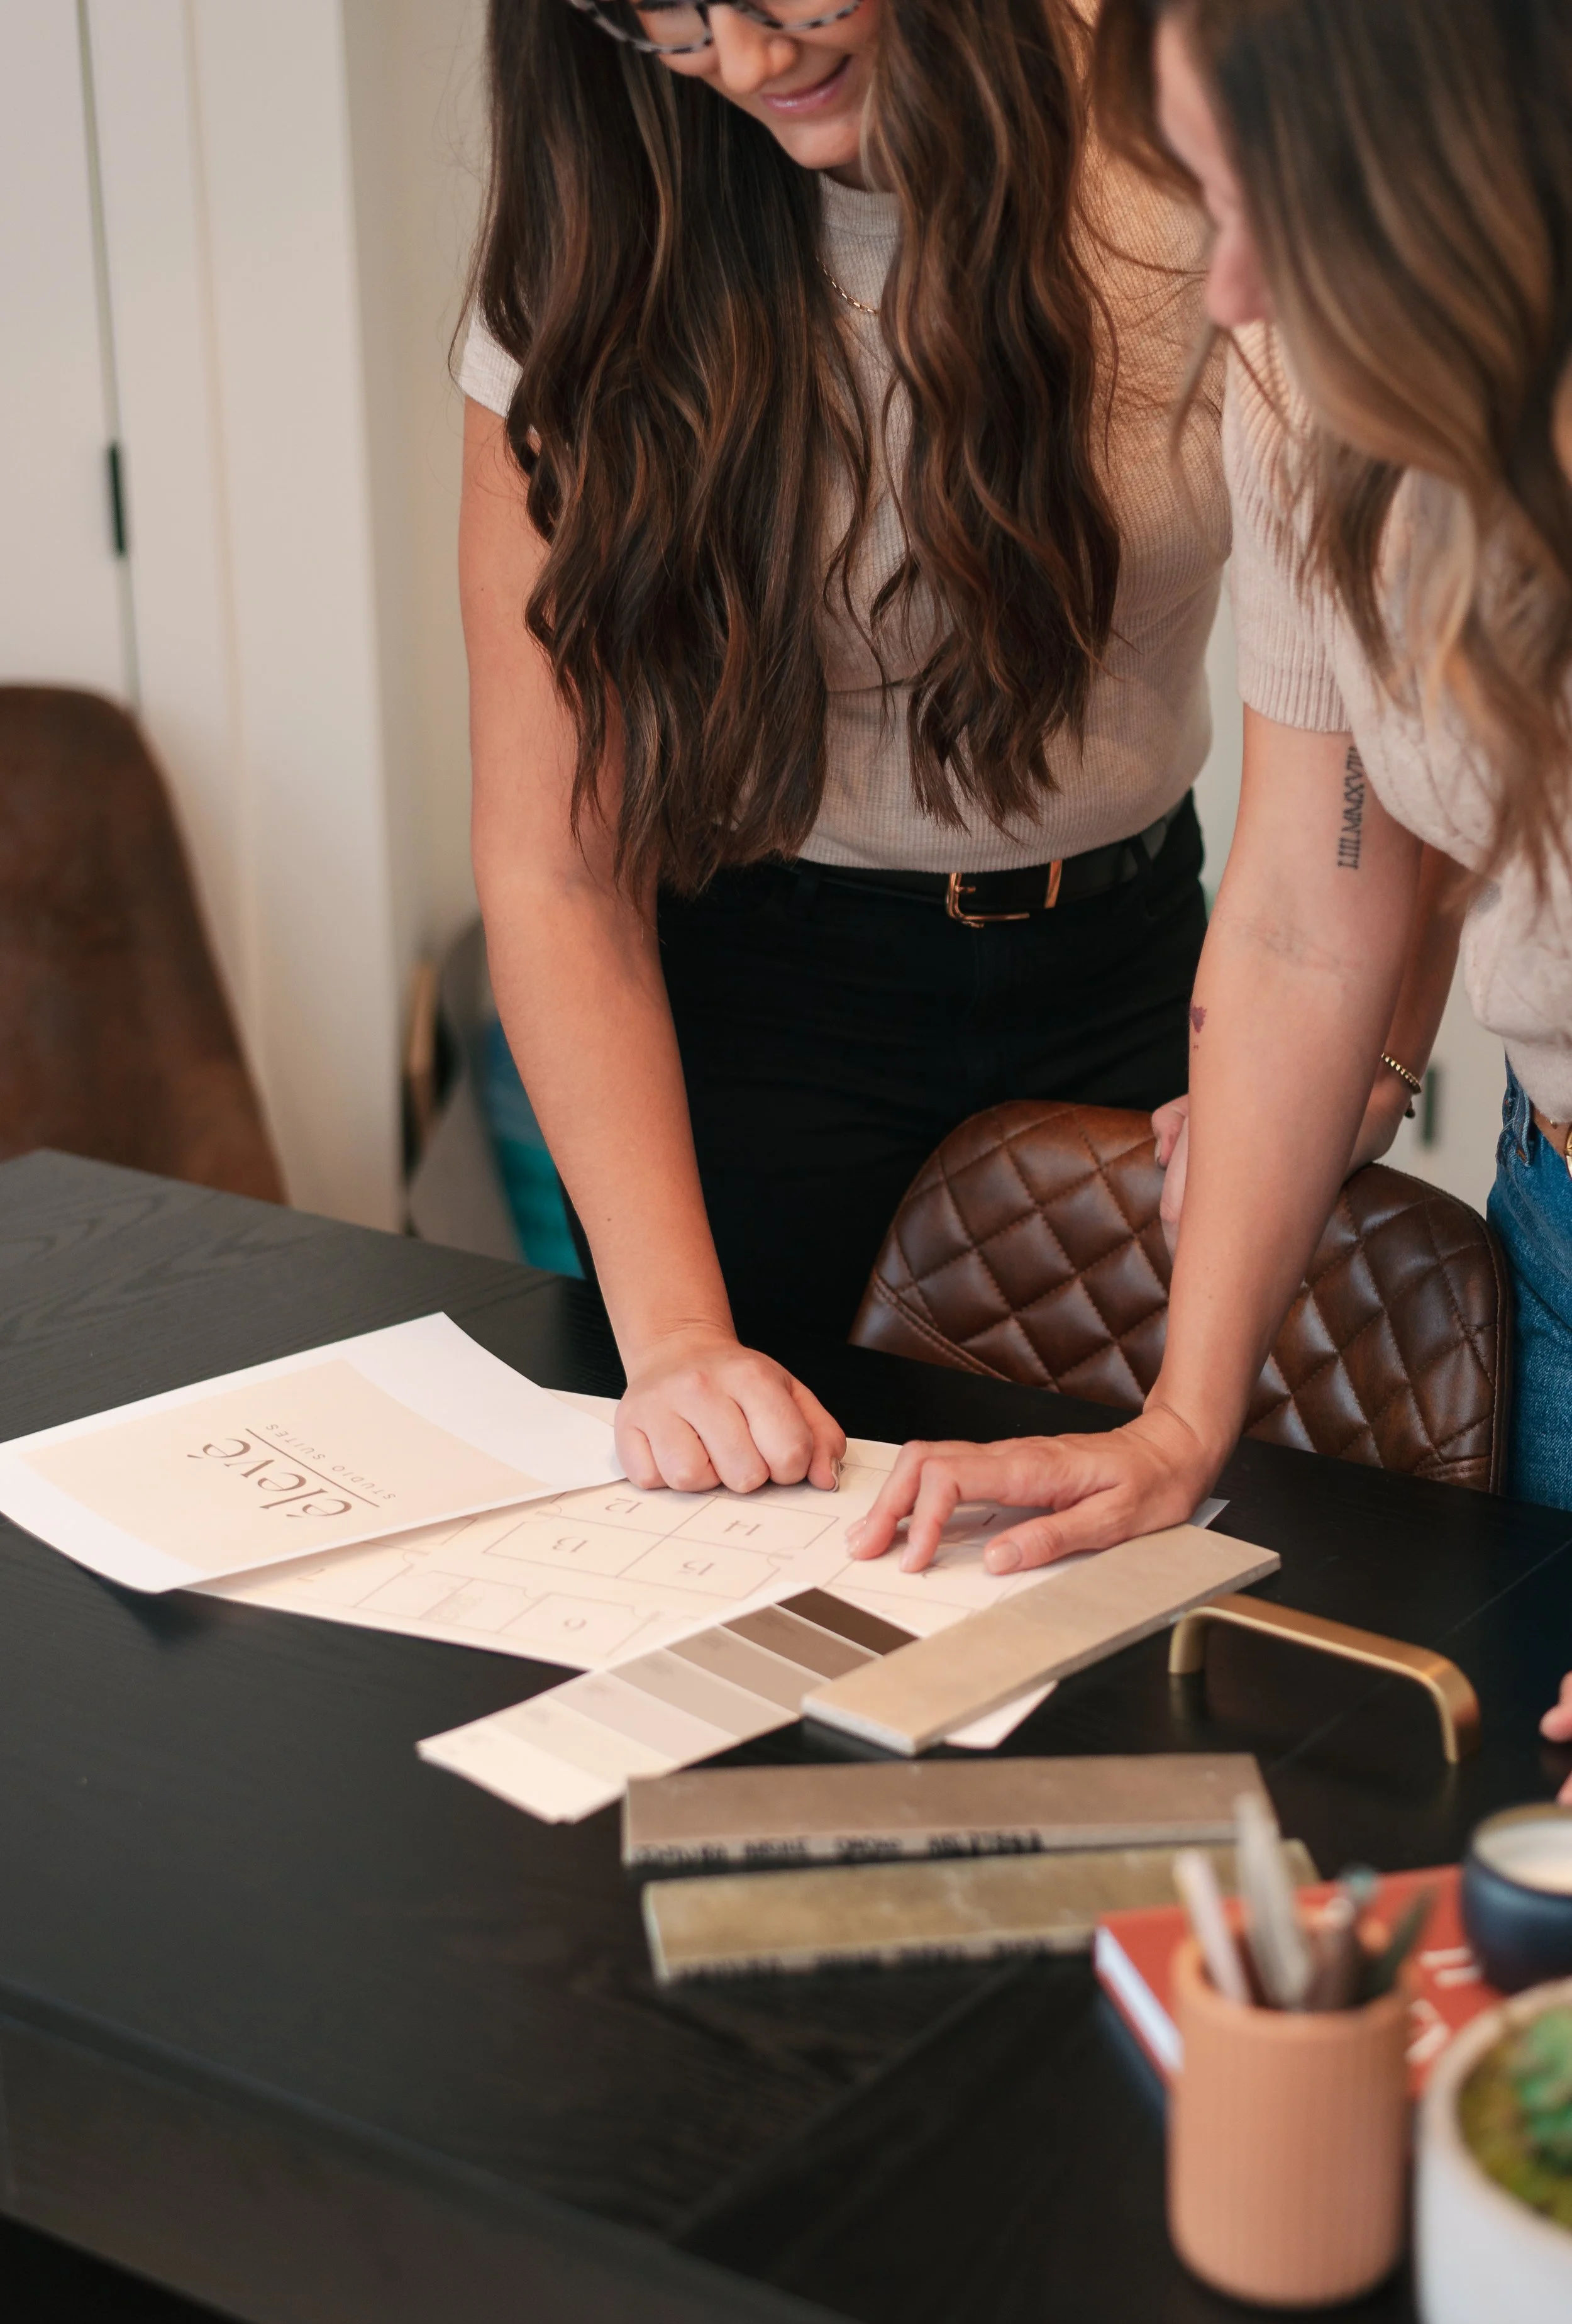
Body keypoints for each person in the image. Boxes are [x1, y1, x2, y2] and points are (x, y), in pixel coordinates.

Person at [460, 0, 1446, 1500]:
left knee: (1130, 1548)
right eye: (665, 14)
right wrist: (671, 1342)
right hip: (761, 1004)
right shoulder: (609, 221)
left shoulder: (1192, 139)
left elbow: (1387, 738)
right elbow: (553, 867)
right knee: (753, 1567)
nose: (743, 60)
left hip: (1138, 971)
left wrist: (1382, 1035)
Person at [851, 0, 1572, 1581]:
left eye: (1268, 208)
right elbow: (1310, 912)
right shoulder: (1302, 374)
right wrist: (1182, 1418)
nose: (1223, 288)